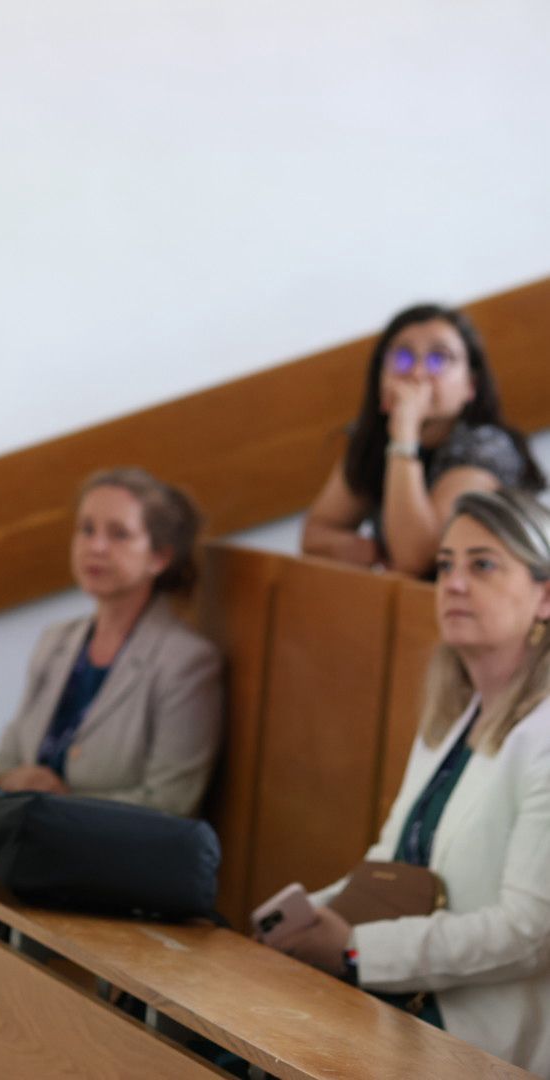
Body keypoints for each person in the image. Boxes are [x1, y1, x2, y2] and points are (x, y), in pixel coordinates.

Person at [272, 489, 550, 1074]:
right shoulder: (452, 717)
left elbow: (528, 932)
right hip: (395, 997)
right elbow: (391, 861)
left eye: (483, 564)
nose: (453, 582)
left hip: (476, 1035)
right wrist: (305, 920)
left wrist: (354, 950)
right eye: (445, 565)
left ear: (545, 596)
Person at [0, 467, 222, 817]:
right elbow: (1, 766)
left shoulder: (186, 662)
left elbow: (171, 804)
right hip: (22, 836)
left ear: (159, 557)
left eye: (119, 534)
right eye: (87, 529)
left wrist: (60, 804)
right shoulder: (55, 640)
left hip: (110, 850)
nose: (95, 546)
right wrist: (13, 781)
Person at [302, 303, 544, 576]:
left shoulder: (486, 447)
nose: (416, 373)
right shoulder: (371, 440)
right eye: (402, 358)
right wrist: (367, 551)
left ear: (470, 385)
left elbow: (416, 559)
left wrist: (405, 432)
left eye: (438, 359)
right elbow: (315, 535)